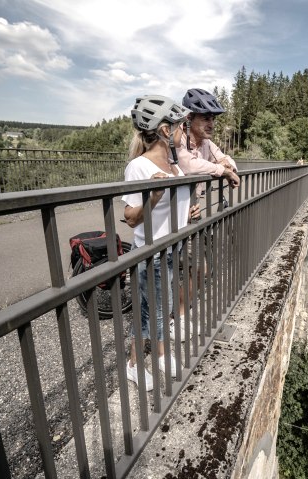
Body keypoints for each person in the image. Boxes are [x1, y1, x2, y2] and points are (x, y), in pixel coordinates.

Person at [121, 94, 193, 391]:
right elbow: (130, 218)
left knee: (161, 308)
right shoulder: (138, 167)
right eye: (179, 127)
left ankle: (162, 355)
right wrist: (152, 200)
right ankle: (133, 366)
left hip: (170, 248)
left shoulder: (175, 167)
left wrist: (190, 209)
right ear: (165, 131)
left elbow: (177, 207)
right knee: (147, 312)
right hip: (150, 253)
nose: (183, 132)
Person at [176, 88, 240, 193]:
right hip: (170, 206)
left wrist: (230, 168)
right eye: (206, 119)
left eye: (212, 119)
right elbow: (188, 165)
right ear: (189, 118)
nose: (212, 125)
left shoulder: (206, 143)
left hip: (191, 205)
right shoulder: (176, 139)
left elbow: (224, 158)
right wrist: (222, 170)